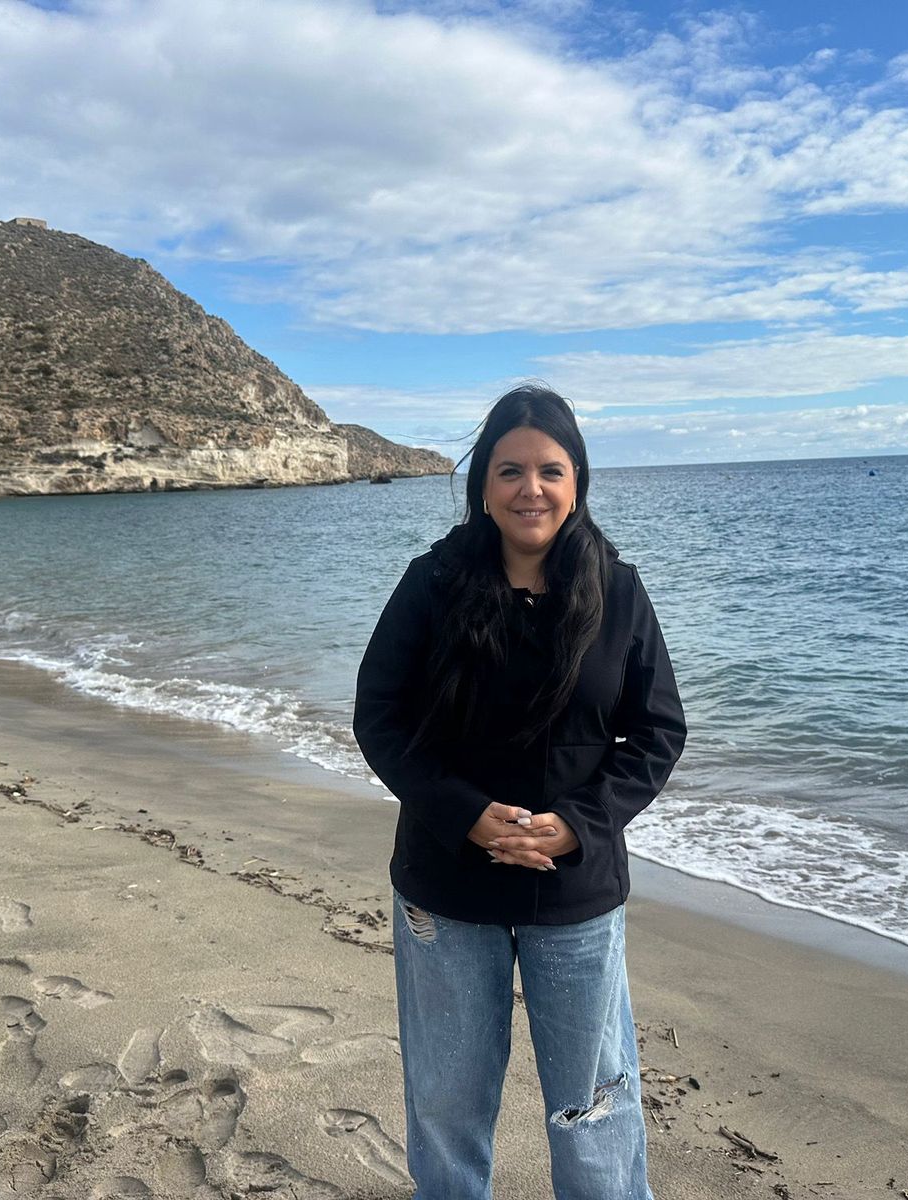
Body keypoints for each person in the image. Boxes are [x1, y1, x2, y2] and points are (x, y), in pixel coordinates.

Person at [353, 384, 686, 1200]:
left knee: (593, 1104)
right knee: (448, 1099)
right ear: (483, 485)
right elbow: (379, 716)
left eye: (549, 471)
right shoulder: (432, 582)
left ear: (576, 482)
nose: (529, 489)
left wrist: (578, 824)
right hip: (446, 880)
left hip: (574, 888)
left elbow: (657, 732)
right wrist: (466, 816)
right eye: (509, 471)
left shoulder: (618, 591)